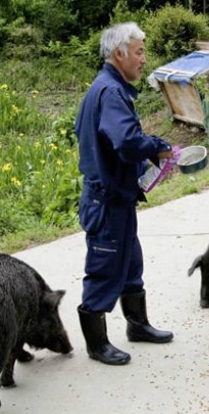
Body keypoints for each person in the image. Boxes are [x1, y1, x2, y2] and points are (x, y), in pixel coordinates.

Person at [74, 22, 174, 366]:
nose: (144, 59)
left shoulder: (105, 89)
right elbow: (127, 141)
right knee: (104, 267)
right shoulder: (111, 92)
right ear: (119, 54)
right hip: (106, 201)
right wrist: (159, 148)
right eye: (139, 51)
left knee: (130, 263)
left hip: (118, 199)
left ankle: (138, 325)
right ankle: (97, 344)